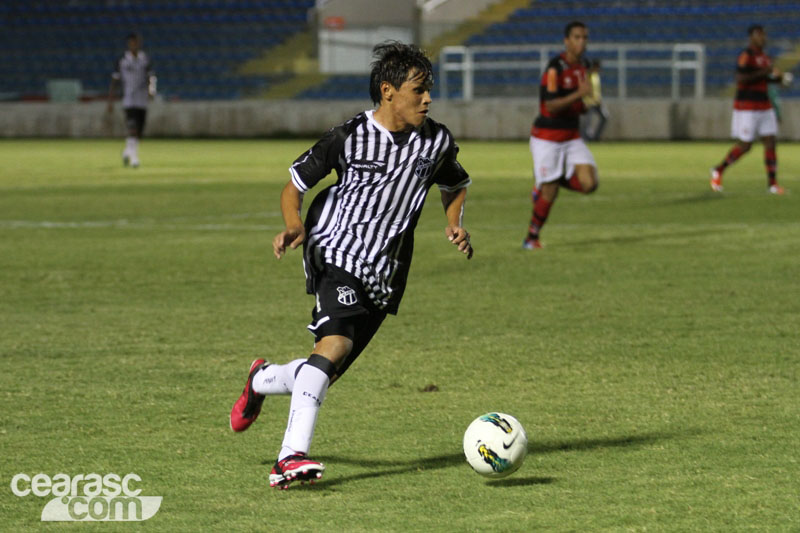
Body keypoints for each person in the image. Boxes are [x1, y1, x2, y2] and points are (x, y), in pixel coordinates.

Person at [229, 42, 473, 490]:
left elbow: (455, 183)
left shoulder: (436, 141)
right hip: (334, 250)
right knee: (334, 345)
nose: (428, 99)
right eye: (418, 90)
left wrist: (454, 223)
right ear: (387, 91)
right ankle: (289, 459)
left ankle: (260, 379)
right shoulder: (348, 136)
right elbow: (294, 185)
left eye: (429, 90)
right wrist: (292, 224)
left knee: (324, 371)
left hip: (384, 272)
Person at [523, 21, 598, 250]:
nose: (581, 42)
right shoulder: (555, 68)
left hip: (571, 135)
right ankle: (531, 238)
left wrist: (586, 104)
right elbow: (551, 106)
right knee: (550, 193)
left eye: (584, 37)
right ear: (567, 41)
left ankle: (548, 180)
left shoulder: (584, 65)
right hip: (547, 136)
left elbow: (580, 103)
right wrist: (579, 94)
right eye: (576, 37)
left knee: (589, 183)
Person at [710, 24, 786, 195]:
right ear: (751, 37)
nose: (763, 38)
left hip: (765, 105)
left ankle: (772, 184)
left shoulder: (765, 57)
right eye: (759, 35)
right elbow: (741, 78)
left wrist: (779, 80)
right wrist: (765, 72)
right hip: (748, 107)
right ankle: (718, 169)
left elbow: (764, 80)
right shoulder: (746, 56)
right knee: (745, 145)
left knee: (771, 142)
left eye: (764, 35)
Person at [107, 33, 156, 168]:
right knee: (132, 128)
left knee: (139, 132)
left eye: (136, 42)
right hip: (129, 100)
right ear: (129, 44)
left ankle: (127, 151)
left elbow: (151, 77)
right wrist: (110, 100)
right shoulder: (122, 60)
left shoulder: (145, 59)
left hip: (142, 100)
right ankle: (134, 157)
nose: (134, 45)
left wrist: (152, 90)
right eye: (132, 43)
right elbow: (115, 80)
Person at [580, 58, 609, 141]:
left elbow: (596, 90)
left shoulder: (596, 76)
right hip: (588, 102)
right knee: (587, 122)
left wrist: (599, 99)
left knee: (605, 117)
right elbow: (585, 90)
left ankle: (595, 137)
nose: (599, 69)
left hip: (597, 102)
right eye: (598, 67)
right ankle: (585, 139)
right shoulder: (587, 75)